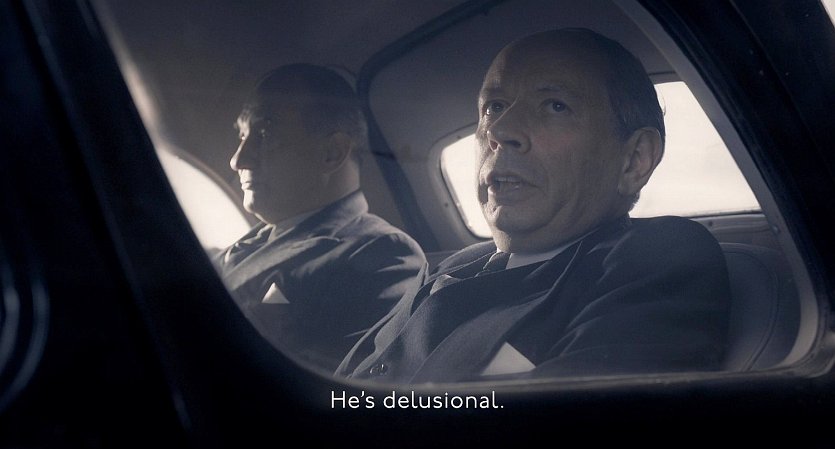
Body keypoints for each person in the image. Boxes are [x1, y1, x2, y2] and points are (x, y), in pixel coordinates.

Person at [336, 28, 732, 383]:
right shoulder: (454, 266)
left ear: (634, 160)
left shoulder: (658, 259)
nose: (499, 130)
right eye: (493, 106)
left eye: (555, 106)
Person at [215, 64, 426, 373]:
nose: (237, 160)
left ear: (332, 152)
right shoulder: (248, 242)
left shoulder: (383, 255)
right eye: (243, 136)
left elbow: (336, 389)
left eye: (264, 134)